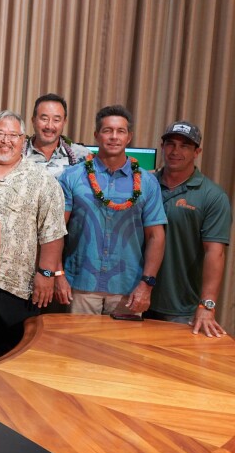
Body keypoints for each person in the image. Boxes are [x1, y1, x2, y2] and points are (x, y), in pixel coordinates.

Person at [0, 110, 67, 368]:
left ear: (24, 139)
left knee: (12, 361)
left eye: (13, 135)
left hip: (19, 287)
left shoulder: (42, 180)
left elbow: (52, 232)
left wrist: (46, 273)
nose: (6, 140)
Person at [58, 105, 166, 316]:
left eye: (121, 131)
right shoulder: (71, 177)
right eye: (107, 130)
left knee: (121, 350)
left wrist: (146, 284)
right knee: (78, 348)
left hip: (128, 288)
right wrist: (58, 275)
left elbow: (156, 237)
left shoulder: (147, 182)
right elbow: (56, 231)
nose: (114, 137)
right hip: (80, 286)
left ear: (129, 137)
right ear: (97, 135)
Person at [148, 121, 231, 336]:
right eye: (171, 144)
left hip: (181, 307)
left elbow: (215, 252)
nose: (175, 151)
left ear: (197, 152)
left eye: (184, 146)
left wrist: (207, 305)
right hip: (136, 297)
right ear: (162, 146)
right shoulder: (145, 183)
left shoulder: (212, 196)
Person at [23, 93, 90, 178]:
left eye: (56, 120)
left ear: (64, 122)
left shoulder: (82, 156)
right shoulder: (17, 153)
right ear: (33, 120)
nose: (49, 126)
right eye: (44, 119)